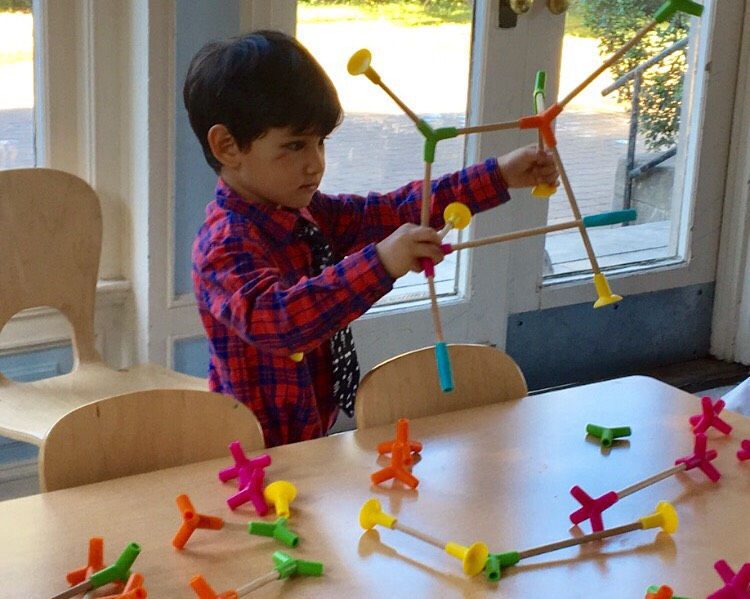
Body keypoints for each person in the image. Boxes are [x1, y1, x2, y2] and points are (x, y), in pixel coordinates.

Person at [185, 30, 558, 447]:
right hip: (252, 452)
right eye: (294, 145)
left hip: (310, 439)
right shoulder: (223, 245)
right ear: (227, 146)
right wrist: (380, 263)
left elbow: (392, 210)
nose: (315, 164)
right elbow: (282, 322)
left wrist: (498, 175)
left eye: (320, 143)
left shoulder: (305, 212)